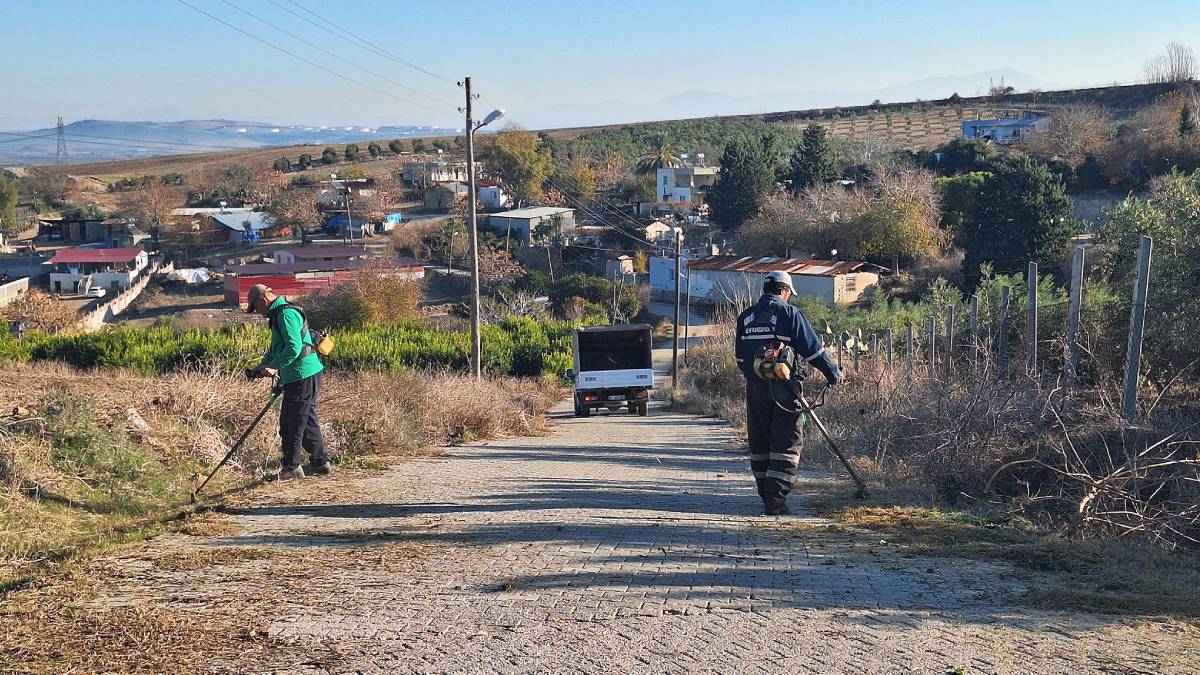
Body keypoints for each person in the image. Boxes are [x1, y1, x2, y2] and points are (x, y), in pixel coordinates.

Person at [734, 271, 842, 515]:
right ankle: (775, 501)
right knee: (787, 441)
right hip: (785, 388)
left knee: (760, 441)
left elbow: (741, 359)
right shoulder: (789, 314)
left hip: (755, 388)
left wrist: (758, 376)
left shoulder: (746, 317)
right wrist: (833, 373)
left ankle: (766, 495)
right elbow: (813, 349)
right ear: (784, 291)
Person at [246, 284, 331, 481]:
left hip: (301, 374)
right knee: (306, 419)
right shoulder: (280, 314)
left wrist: (274, 366)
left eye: (255, 308)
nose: (257, 313)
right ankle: (320, 462)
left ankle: (292, 467)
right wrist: (262, 366)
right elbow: (279, 347)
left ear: (263, 301)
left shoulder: (285, 315)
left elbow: (293, 348)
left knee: (291, 422)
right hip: (304, 373)